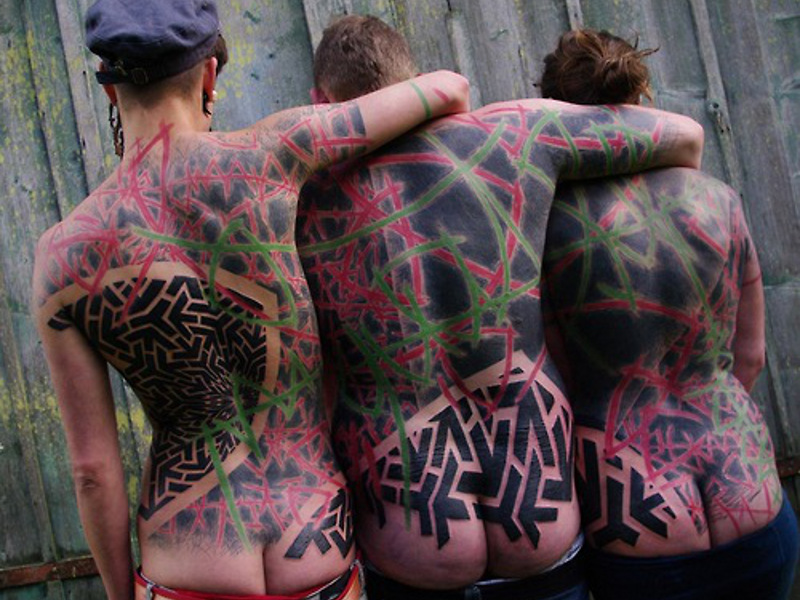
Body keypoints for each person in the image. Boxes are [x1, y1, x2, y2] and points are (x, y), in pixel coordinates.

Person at [31, 1, 470, 599]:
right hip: (313, 545)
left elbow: (92, 472)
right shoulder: (275, 152)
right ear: (209, 73)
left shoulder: (63, 255)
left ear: (109, 88)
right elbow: (446, 88)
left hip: (189, 563)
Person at [297, 15, 704, 600]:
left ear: (321, 102)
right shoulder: (516, 134)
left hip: (412, 537)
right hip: (538, 522)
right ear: (414, 81)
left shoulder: (302, 198)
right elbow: (685, 137)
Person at [539, 28, 799, 599]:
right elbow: (751, 358)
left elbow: (555, 386)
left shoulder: (547, 225)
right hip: (750, 498)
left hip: (637, 521)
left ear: (556, 112)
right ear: (642, 97)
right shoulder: (718, 199)